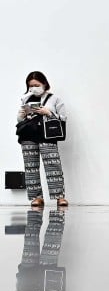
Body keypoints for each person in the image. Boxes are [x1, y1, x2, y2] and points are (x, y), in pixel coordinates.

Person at [16, 71, 67, 208]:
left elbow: (63, 118)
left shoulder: (54, 99)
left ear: (44, 83)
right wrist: (20, 115)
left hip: (47, 135)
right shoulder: (25, 99)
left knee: (53, 165)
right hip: (28, 136)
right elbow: (21, 121)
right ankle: (37, 197)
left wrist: (49, 113)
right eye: (30, 86)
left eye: (36, 85)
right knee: (31, 167)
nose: (33, 88)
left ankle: (59, 197)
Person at [16, 209, 66, 291]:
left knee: (30, 237)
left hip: (28, 272)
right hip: (47, 274)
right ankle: (59, 208)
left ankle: (36, 208)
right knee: (52, 237)